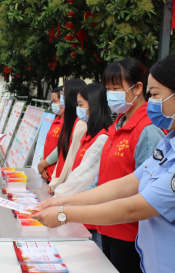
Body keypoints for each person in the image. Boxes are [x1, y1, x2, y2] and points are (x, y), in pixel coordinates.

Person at [33, 53, 175, 273]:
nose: (152, 103)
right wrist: (64, 202)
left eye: (155, 95)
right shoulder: (170, 142)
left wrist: (64, 214)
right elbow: (127, 183)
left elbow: (136, 207)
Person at [82, 58, 164, 272]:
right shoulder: (118, 124)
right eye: (108, 89)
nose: (110, 94)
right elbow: (104, 178)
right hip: (107, 225)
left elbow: (145, 189)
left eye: (116, 88)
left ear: (138, 88)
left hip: (129, 233)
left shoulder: (148, 130)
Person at [54, 82, 113, 249]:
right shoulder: (88, 135)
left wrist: (56, 200)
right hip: (76, 208)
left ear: (93, 106)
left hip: (88, 215)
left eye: (81, 105)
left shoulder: (102, 138)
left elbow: (82, 178)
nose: (78, 109)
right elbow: (73, 169)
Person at [46, 79, 88, 194]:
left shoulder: (81, 124)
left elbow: (70, 161)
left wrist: (57, 183)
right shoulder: (68, 122)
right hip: (58, 183)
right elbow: (62, 154)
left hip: (64, 187)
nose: (62, 98)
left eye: (63, 94)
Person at [37, 86, 64, 181]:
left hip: (55, 174)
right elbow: (47, 142)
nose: (53, 104)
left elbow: (61, 148)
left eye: (55, 101)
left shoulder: (68, 123)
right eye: (52, 101)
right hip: (46, 171)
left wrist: (44, 164)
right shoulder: (56, 119)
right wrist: (42, 162)